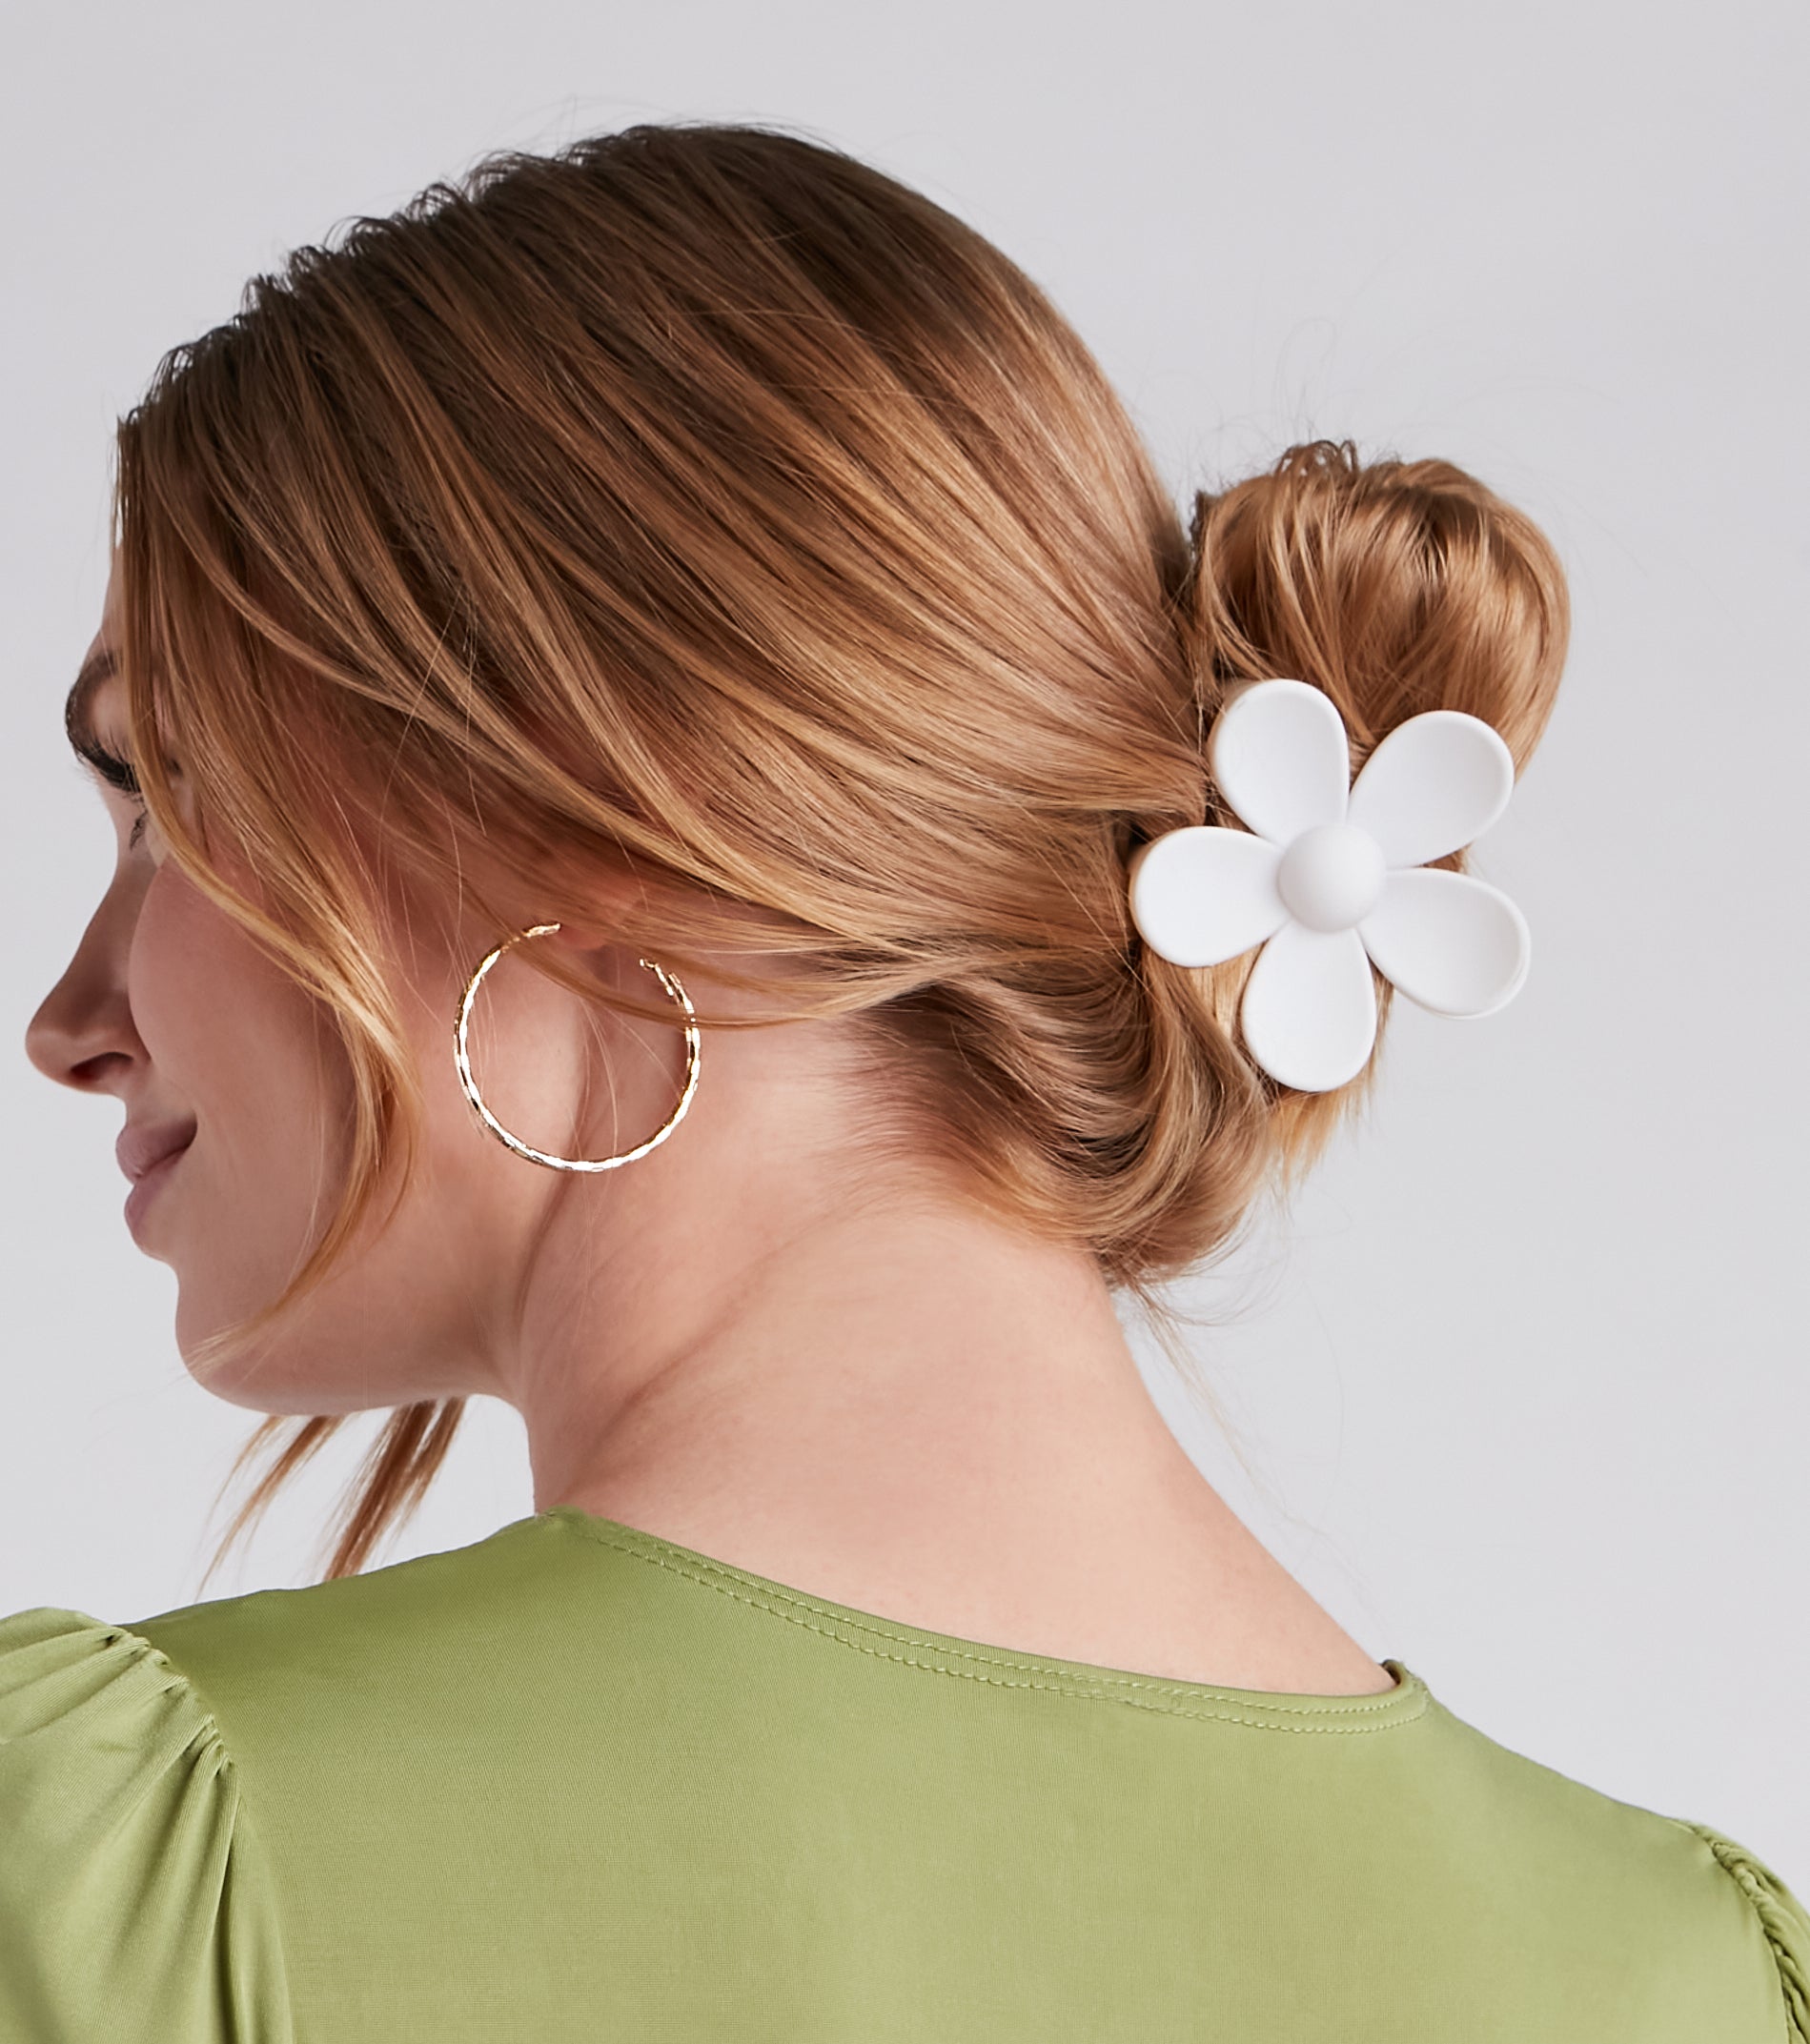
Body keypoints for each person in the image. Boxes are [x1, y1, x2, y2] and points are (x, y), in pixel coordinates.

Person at [3, 122, 1802, 2042]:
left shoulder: (139, 1881)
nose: (68, 1016)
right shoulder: (1685, 1979)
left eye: (163, 795)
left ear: (596, 797)